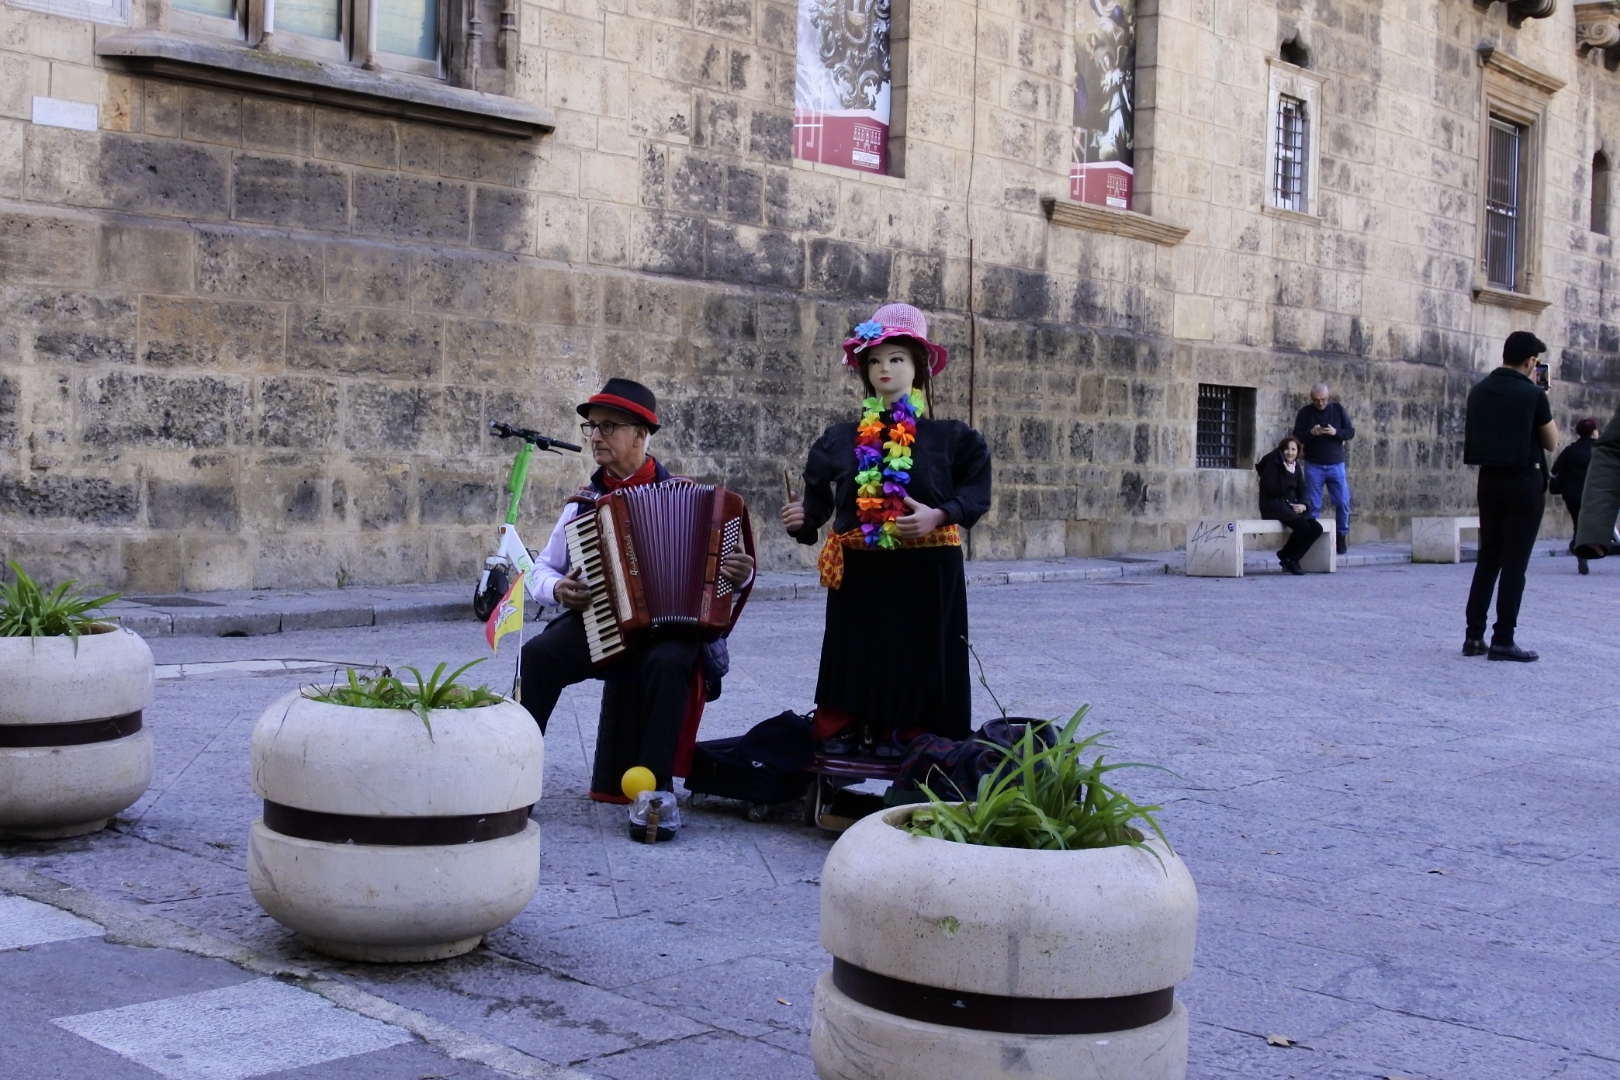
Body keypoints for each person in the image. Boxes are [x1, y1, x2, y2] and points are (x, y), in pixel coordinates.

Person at [517, 378, 755, 832]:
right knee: (539, 655)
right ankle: (516, 780)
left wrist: (738, 577)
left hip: (667, 632)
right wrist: (557, 591)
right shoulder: (583, 506)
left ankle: (655, 794)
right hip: (601, 622)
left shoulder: (695, 500)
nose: (596, 436)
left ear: (642, 435)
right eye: (592, 427)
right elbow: (540, 570)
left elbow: (729, 579)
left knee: (672, 660)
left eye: (609, 427)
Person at [781, 304, 992, 756]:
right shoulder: (838, 438)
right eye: (874, 360)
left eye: (896, 358)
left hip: (928, 569)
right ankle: (841, 728)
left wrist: (939, 514)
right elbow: (817, 501)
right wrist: (803, 522)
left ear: (918, 367)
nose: (884, 368)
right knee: (853, 651)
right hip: (861, 568)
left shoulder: (954, 437)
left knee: (920, 654)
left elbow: (977, 494)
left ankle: (912, 735)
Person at [1462, 331, 1557, 662]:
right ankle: (1503, 638)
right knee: (1515, 563)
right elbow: (1552, 441)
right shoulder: (1532, 395)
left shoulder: (1479, 391)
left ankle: (1473, 636)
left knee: (1489, 556)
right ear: (1531, 361)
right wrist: (1540, 396)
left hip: (1490, 480)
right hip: (1524, 480)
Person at [1292, 383, 1356, 555]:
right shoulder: (1305, 413)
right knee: (1313, 505)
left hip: (1336, 464)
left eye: (1324, 399)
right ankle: (1313, 539)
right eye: (1316, 400)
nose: (1320, 403)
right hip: (1314, 465)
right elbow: (1297, 437)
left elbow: (1350, 432)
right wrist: (1312, 433)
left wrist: (1336, 433)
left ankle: (1341, 535)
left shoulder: (1337, 410)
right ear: (1311, 398)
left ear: (1329, 397)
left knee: (1343, 502)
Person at [1256, 435, 1324, 576]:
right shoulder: (1272, 462)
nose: (1290, 452)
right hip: (1274, 505)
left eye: (1293, 450)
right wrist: (1287, 474)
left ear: (1298, 452)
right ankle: (1289, 558)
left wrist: (1304, 505)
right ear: (1281, 450)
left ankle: (1288, 556)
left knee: (1316, 528)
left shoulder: (1295, 465)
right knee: (1304, 528)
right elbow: (1272, 489)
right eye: (1287, 449)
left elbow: (1302, 488)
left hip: (1290, 506)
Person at [1551, 417, 1600, 574]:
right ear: (1593, 432)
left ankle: (1581, 554)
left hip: (1573, 495)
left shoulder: (1570, 450)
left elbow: (1556, 469)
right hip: (1596, 496)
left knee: (1578, 524)